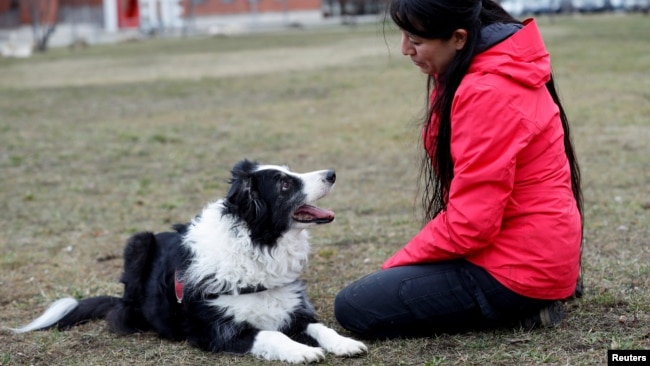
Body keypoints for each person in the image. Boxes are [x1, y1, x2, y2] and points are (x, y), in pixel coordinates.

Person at [334, 0, 583, 340]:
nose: (405, 50)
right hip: (537, 254)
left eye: (416, 40)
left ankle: (527, 304)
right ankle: (535, 294)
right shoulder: (482, 70)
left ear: (459, 38)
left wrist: (397, 264)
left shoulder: (487, 90)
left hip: (520, 268)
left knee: (356, 305)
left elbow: (471, 224)